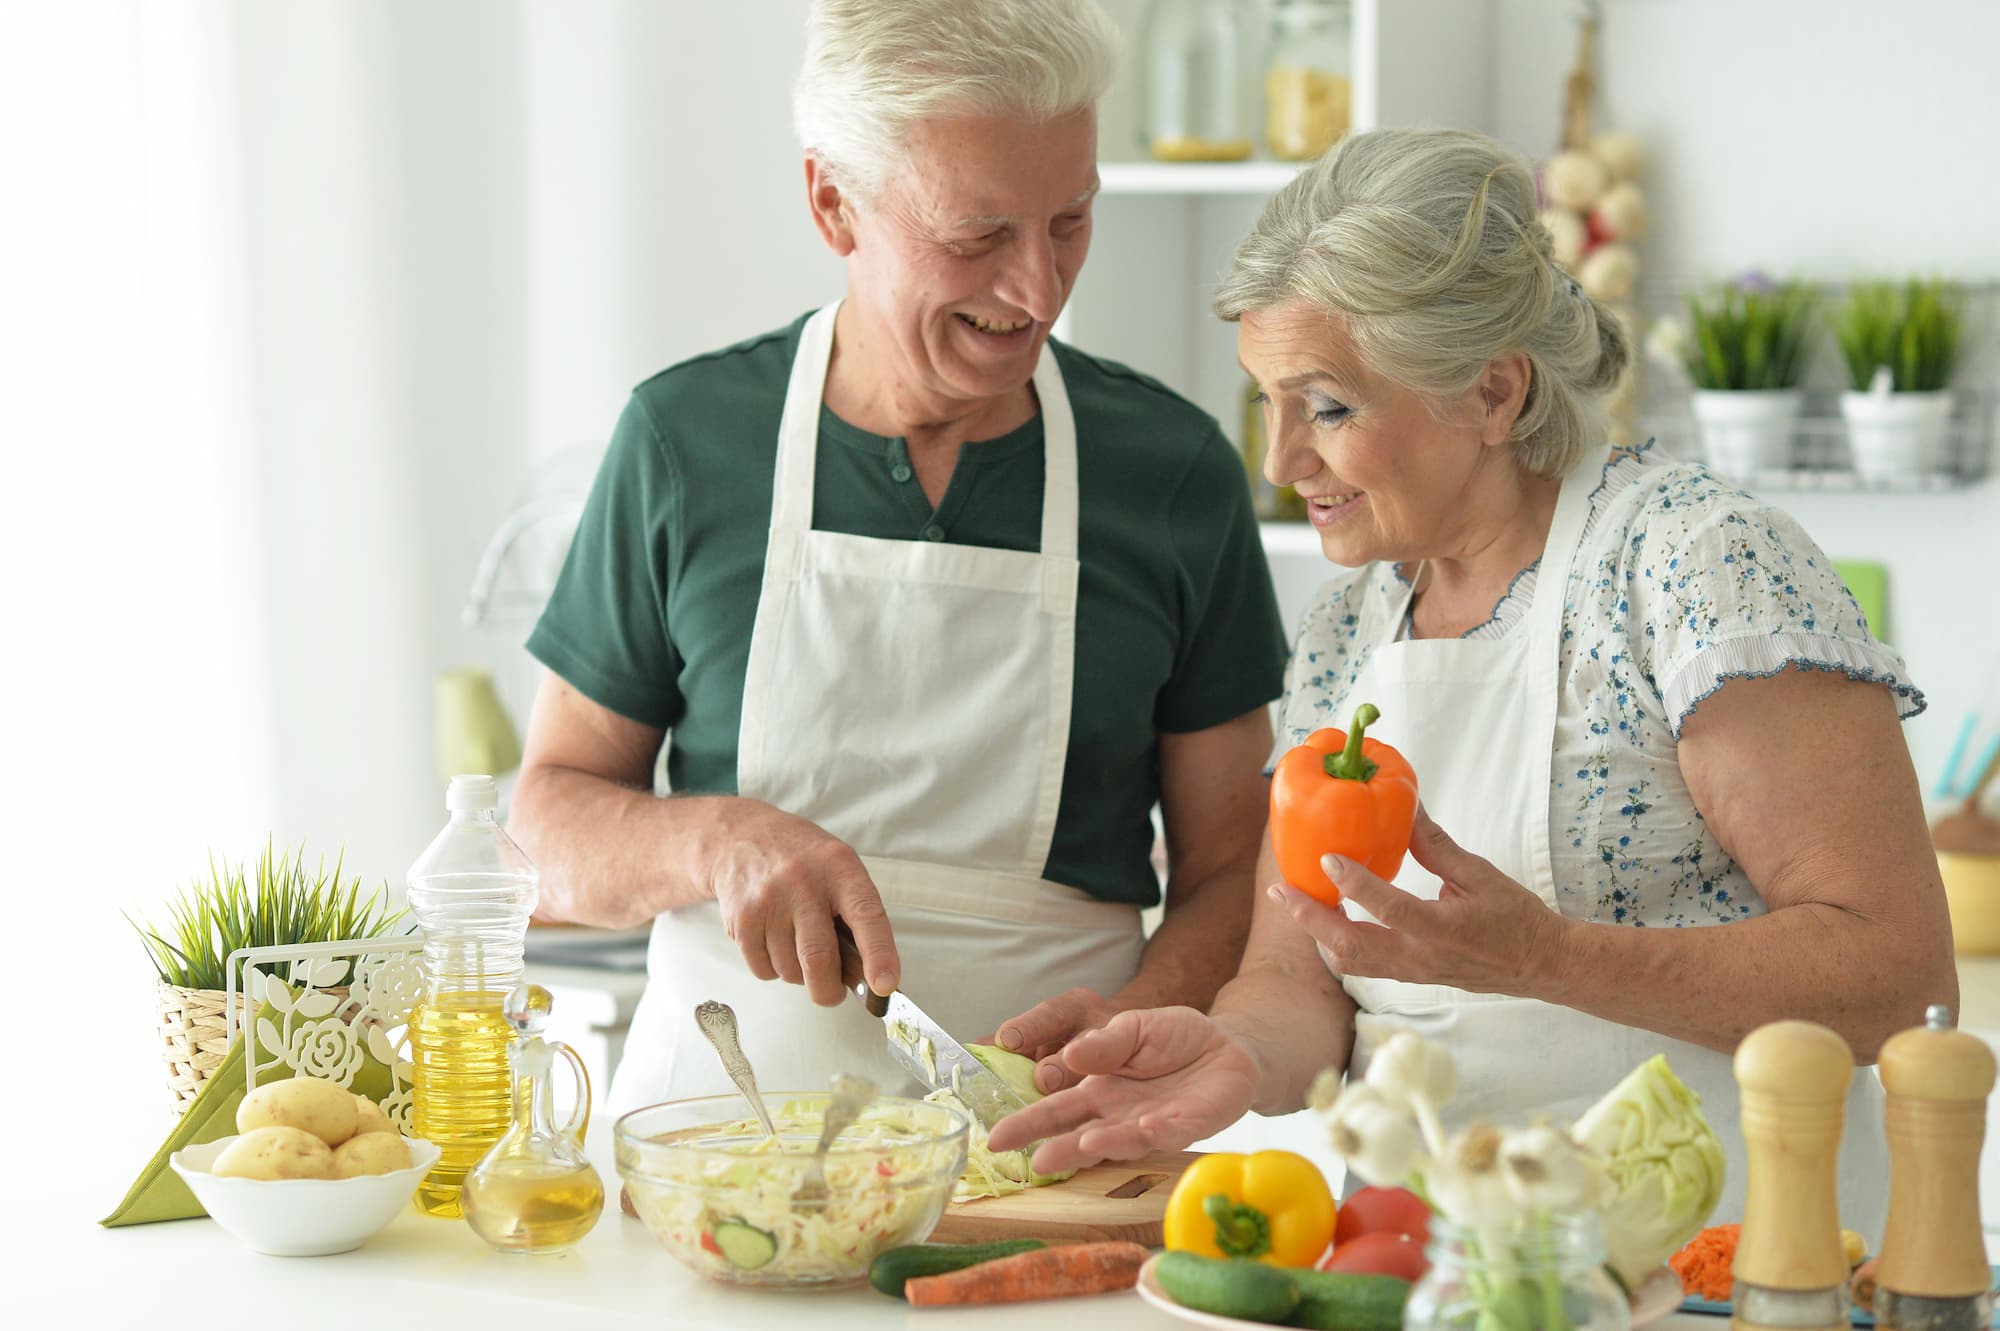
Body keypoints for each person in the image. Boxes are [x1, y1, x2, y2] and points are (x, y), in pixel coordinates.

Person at [987, 127, 1957, 1235]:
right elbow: (1296, 971)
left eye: (1327, 407)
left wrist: (1547, 958)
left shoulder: (1695, 564)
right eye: (1267, 403)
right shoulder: (1348, 630)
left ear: (1494, 392)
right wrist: (1235, 1049)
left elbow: (1899, 976)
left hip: (1729, 1262)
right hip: (1435, 1269)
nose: (1281, 462)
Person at [509, 0, 1288, 1115]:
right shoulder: (686, 443)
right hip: (717, 1146)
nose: (1038, 289)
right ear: (834, 202)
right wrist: (717, 841)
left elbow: (1232, 867)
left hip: (1059, 1146)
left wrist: (1137, 1020)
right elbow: (542, 832)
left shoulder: (1172, 471)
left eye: (1069, 220)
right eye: (977, 236)